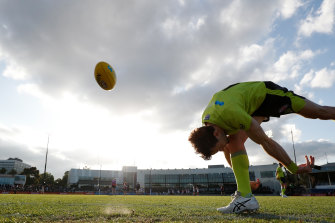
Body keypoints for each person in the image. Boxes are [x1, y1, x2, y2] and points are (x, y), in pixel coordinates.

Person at [188, 81, 335, 214]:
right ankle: (245, 195)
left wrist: (293, 169)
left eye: (217, 148)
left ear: (216, 132)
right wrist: (244, 181)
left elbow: (265, 141)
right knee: (232, 142)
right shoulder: (209, 122)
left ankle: (245, 196)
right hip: (247, 106)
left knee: (319, 112)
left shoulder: (231, 114)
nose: (221, 150)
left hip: (267, 95)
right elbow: (227, 148)